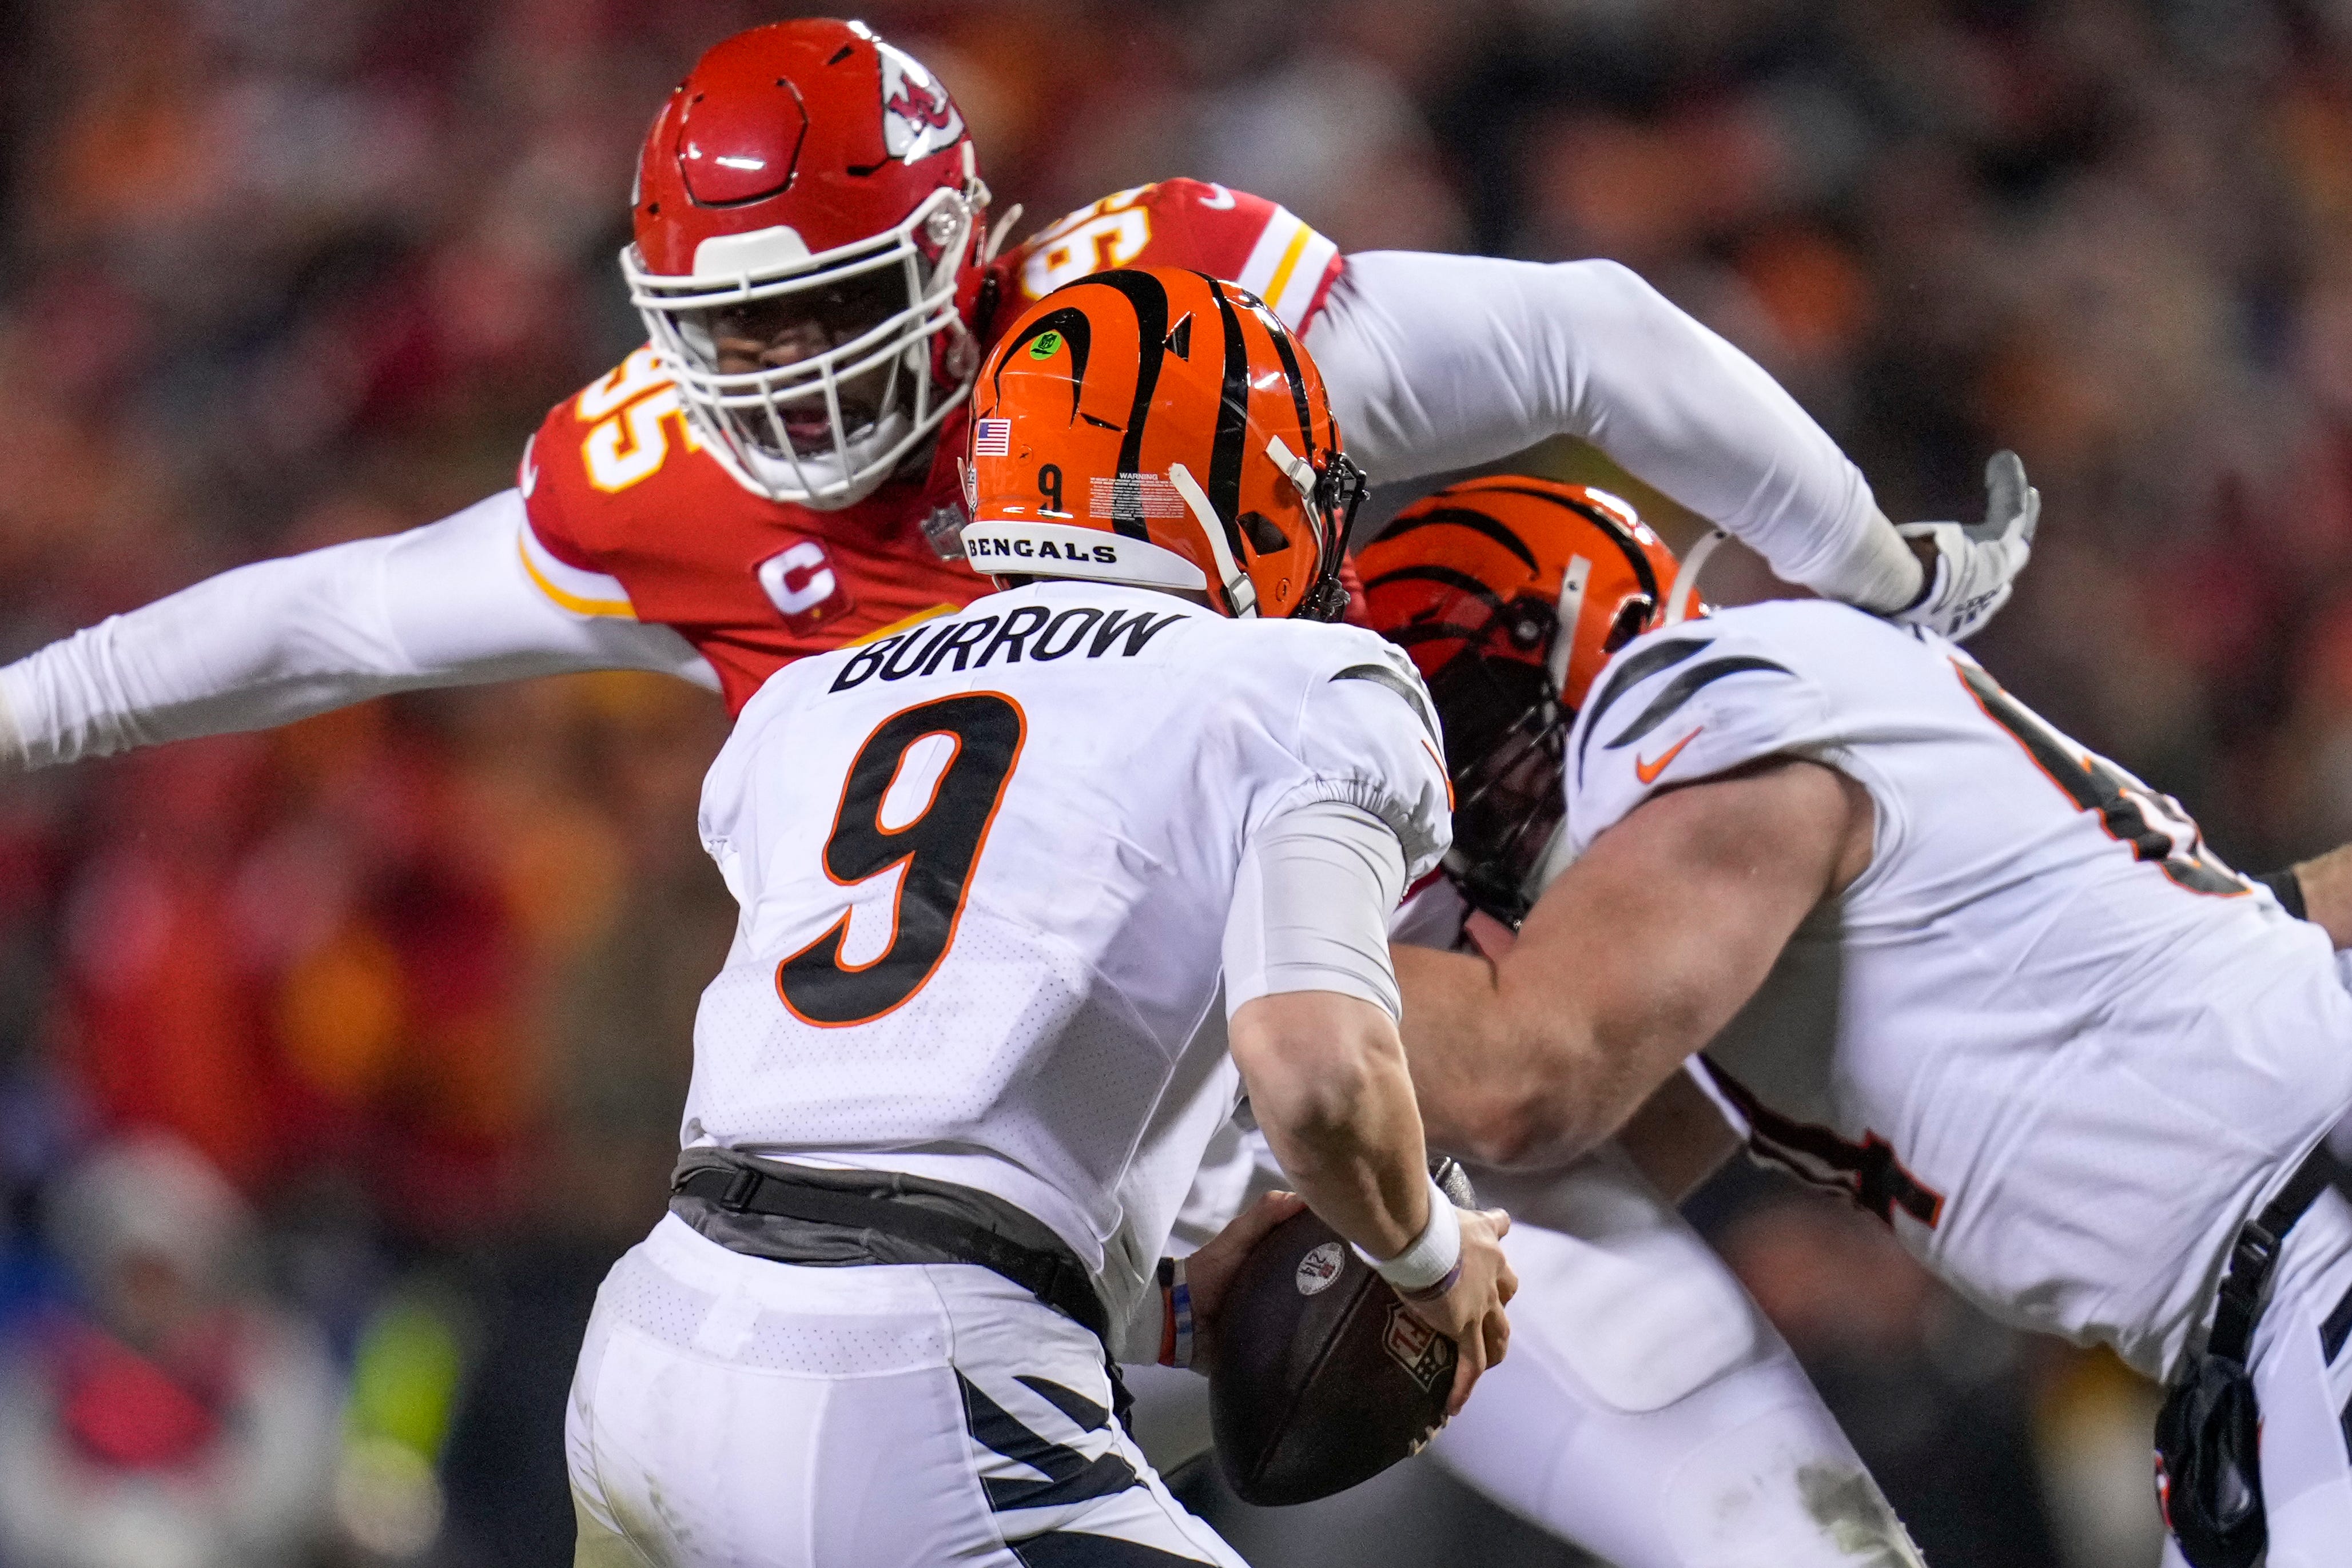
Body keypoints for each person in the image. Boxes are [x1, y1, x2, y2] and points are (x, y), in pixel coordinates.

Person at [0, 17, 2008, 1565]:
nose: (783, 375)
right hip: (1005, 1215)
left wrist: (1878, 565)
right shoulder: (1265, 640)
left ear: (963, 254)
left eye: (823, 304)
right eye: (736, 328)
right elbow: (337, 618)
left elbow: (1582, 336)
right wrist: (1879, 593)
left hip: (783, 1249)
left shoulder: (1122, 374)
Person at [564, 266, 1513, 1568]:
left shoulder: (811, 696)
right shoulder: (1297, 685)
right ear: (1238, 487)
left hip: (652, 1345)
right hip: (914, 1380)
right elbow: (1317, 1071)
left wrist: (1163, 1303)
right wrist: (1422, 1257)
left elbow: (860, 1105)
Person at [1375, 483, 2352, 1568]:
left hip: (2313, 1249)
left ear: (1548, 639)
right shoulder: (1789, 761)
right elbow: (1568, 1181)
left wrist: (1248, 937)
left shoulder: (1686, 718)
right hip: (2268, 1306)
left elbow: (1525, 1074)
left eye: (1463, 743)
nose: (1459, 823)